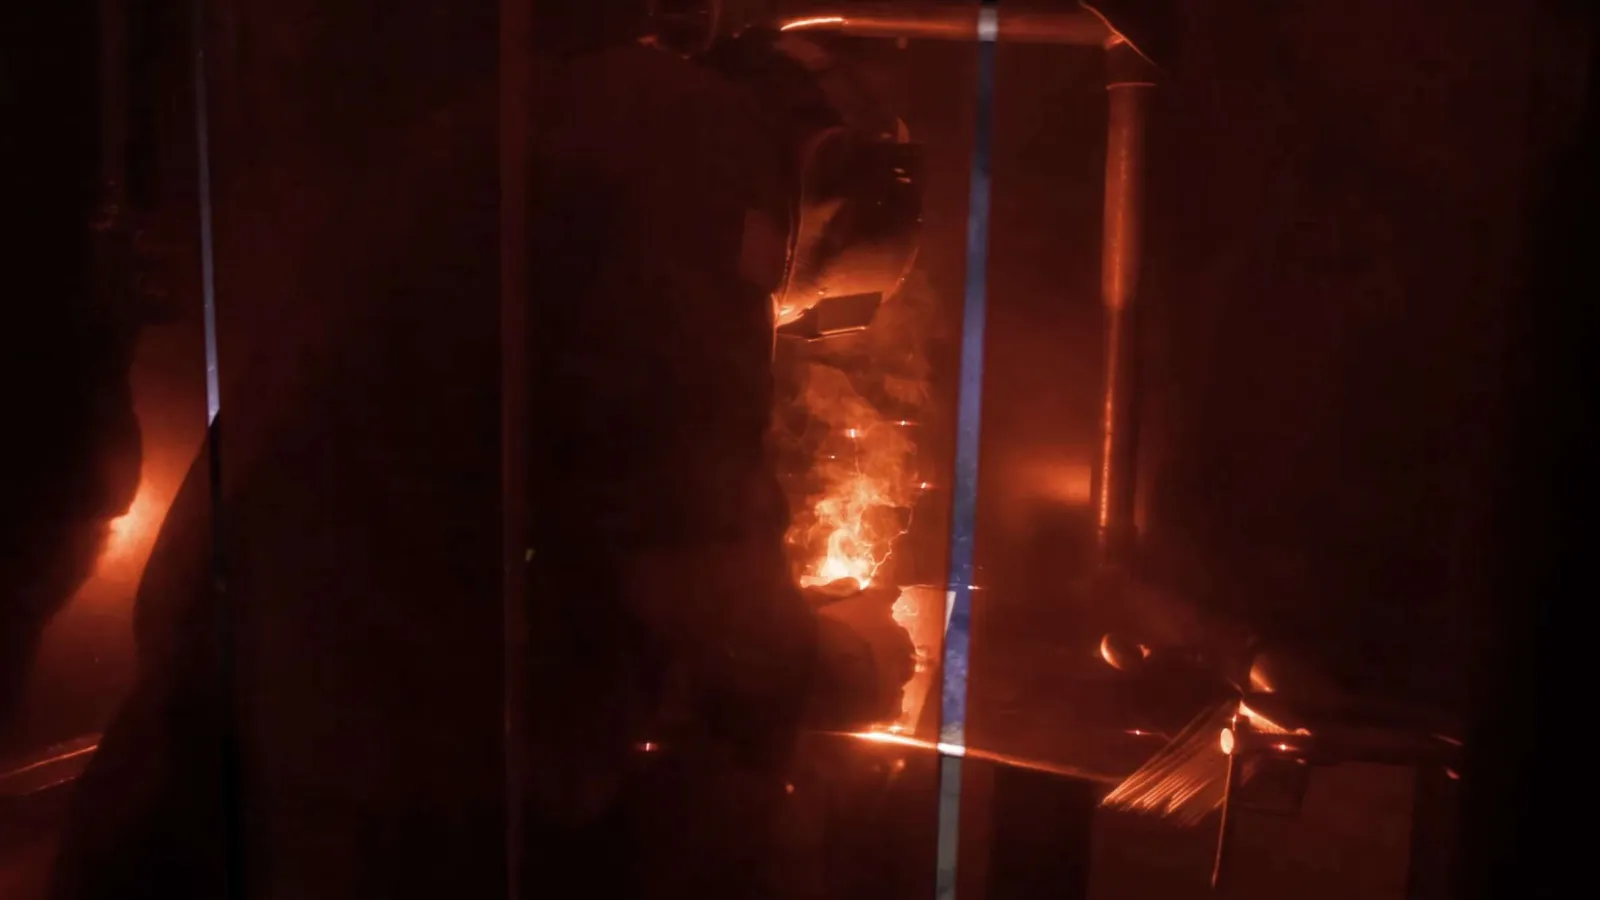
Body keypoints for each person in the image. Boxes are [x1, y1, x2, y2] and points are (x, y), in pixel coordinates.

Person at [50, 7, 909, 899]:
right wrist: (832, 663)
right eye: (792, 293)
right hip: (337, 787)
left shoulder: (561, 115)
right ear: (826, 175)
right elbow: (680, 517)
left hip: (247, 741)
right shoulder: (688, 142)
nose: (774, 315)